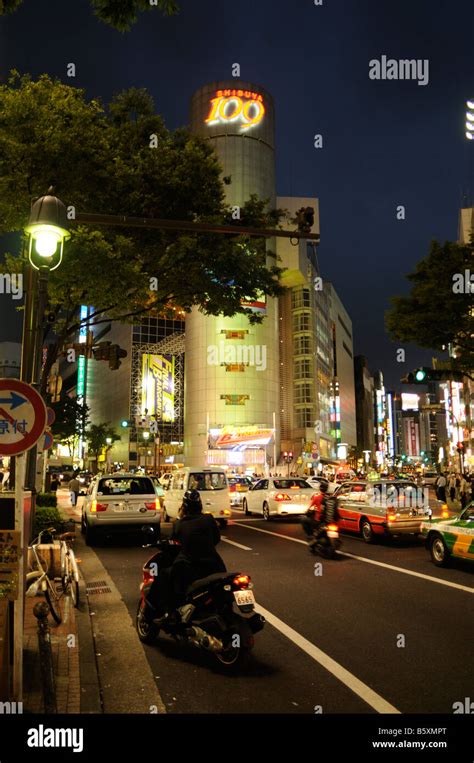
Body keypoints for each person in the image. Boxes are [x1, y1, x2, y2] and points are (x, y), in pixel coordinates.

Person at [147, 490, 226, 623]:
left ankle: (170, 613)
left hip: (190, 566)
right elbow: (216, 539)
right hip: (215, 565)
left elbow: (173, 543)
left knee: (164, 577)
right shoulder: (209, 519)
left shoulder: (180, 524)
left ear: (184, 507)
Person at [301, 483, 328, 548]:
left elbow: (310, 507)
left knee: (304, 520)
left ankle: (310, 535)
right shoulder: (330, 497)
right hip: (328, 520)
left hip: (319, 520)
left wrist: (306, 512)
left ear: (320, 489)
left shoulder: (317, 497)